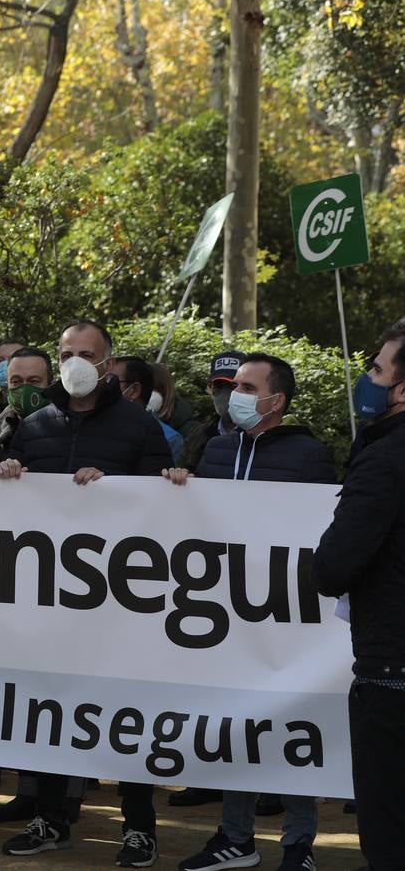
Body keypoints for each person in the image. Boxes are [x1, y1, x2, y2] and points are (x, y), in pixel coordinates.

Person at [0, 319, 171, 867]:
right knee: (51, 707)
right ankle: (50, 817)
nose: (74, 360)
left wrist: (115, 490)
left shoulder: (140, 427)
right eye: (66, 350)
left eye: (85, 353)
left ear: (106, 362)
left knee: (128, 711)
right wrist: (7, 471)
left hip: (120, 600)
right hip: (51, 601)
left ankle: (138, 825)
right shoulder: (35, 425)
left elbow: (162, 510)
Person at [165, 353, 333, 871]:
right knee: (238, 728)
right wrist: (175, 486)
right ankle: (235, 837)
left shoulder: (309, 454)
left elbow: (322, 526)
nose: (232, 392)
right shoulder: (215, 449)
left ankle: (298, 844)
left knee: (293, 727)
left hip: (285, 615)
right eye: (232, 384)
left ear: (275, 400)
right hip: (224, 614)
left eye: (245, 385)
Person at [312, 321, 405, 871]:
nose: (365, 380)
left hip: (392, 670)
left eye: (376, 370)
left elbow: (336, 563)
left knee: (390, 824)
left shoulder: (385, 457)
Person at [113, 356, 185, 464]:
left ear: (134, 390)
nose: (103, 387)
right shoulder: (93, 425)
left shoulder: (169, 439)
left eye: (111, 380)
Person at [181, 351, 245, 472]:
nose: (225, 394)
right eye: (218, 387)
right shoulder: (198, 435)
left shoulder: (262, 437)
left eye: (233, 386)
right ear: (210, 388)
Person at [0, 347, 54, 455]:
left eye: (34, 381)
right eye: (16, 381)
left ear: (50, 384)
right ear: (8, 385)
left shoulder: (68, 429)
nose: (24, 389)